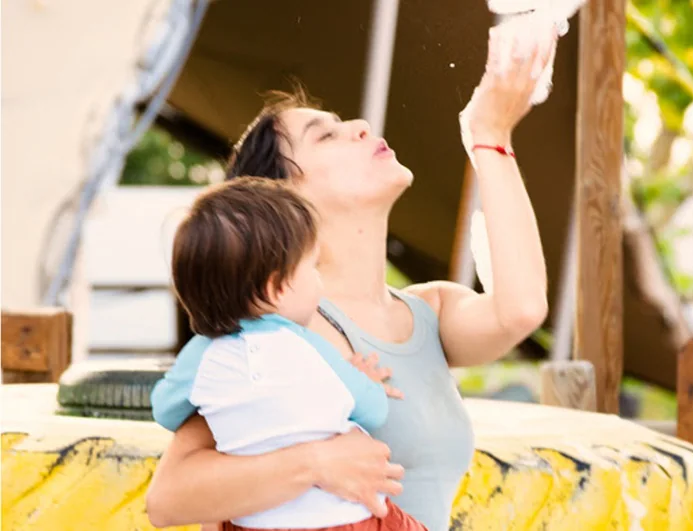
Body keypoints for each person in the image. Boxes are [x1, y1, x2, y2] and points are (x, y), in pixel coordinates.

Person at [147, 29, 554, 531]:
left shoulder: (431, 311)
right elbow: (170, 498)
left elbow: (522, 309)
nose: (361, 126)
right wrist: (313, 465)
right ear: (283, 195)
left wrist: (489, 136)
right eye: (326, 134)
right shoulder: (272, 326)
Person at [162, 176, 427, 531]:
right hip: (350, 517)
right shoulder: (306, 344)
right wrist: (366, 384)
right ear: (278, 286)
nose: (318, 281)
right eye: (313, 266)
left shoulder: (203, 355)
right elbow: (373, 409)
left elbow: (166, 407)